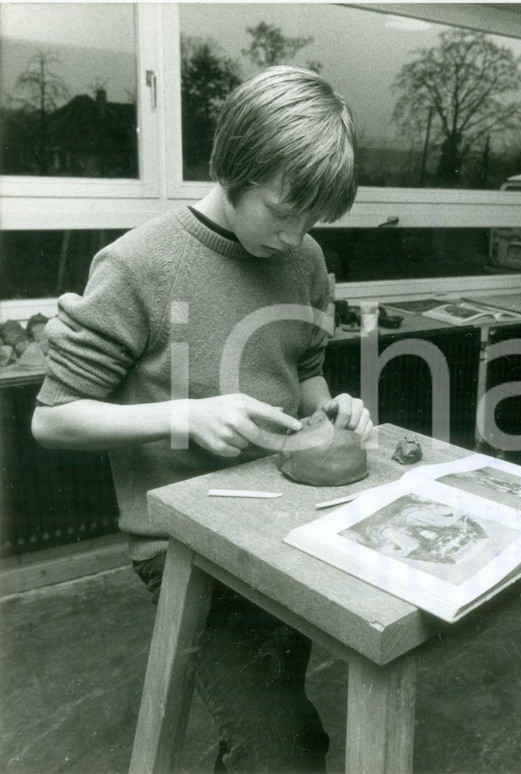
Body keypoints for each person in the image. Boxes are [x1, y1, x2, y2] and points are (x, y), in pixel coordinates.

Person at [32, 66, 372, 772]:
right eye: (283, 211)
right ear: (237, 166)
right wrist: (183, 414)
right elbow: (54, 421)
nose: (296, 236)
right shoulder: (137, 265)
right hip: (186, 546)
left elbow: (303, 368)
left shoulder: (304, 258)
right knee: (288, 749)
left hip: (283, 522)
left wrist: (331, 409)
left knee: (267, 707)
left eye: (314, 220)